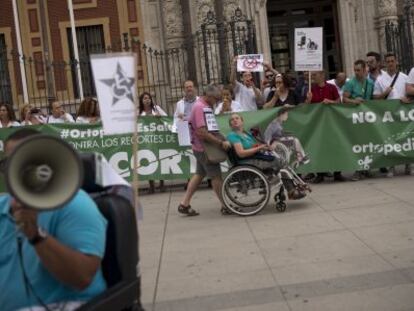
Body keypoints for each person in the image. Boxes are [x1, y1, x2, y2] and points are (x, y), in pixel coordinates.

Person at [0, 128, 107, 311]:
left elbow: (82, 277)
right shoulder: (3, 207)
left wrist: (36, 235)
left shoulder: (75, 204)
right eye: (10, 162)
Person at [177, 84, 231, 216]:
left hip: (200, 147)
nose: (217, 101)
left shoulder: (203, 106)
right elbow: (202, 132)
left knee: (199, 174)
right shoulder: (200, 107)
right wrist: (220, 143)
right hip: (204, 148)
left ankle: (184, 204)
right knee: (216, 177)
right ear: (209, 96)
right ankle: (225, 206)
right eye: (216, 99)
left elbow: (209, 128)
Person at [227, 113, 306, 200]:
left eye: (237, 118)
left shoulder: (246, 134)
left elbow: (253, 146)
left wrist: (263, 147)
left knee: (281, 161)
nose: (234, 120)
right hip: (247, 161)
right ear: (230, 124)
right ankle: (290, 189)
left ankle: (291, 188)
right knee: (279, 162)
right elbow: (241, 153)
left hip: (254, 157)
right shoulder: (232, 135)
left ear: (242, 121)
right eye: (232, 119)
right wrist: (259, 148)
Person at [373, 52, 409, 177]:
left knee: (405, 139)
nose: (390, 64)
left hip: (403, 114)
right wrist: (384, 93)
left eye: (392, 61)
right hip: (388, 115)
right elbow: (375, 98)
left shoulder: (405, 77)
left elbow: (410, 93)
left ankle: (408, 165)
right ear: (385, 64)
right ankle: (391, 166)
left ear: (396, 62)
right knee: (391, 140)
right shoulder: (380, 79)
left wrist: (407, 98)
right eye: (388, 61)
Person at [305, 71, 345, 183]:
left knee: (335, 147)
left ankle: (337, 173)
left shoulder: (331, 87)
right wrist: (308, 100)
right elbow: (306, 108)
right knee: (319, 148)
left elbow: (339, 102)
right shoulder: (311, 90)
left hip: (332, 122)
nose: (313, 77)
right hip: (318, 124)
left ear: (322, 75)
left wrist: (331, 102)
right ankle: (320, 174)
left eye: (315, 74)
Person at [343, 60, 375, 181]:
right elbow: (344, 99)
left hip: (366, 118)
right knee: (357, 144)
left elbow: (372, 99)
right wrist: (354, 101)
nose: (356, 72)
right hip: (354, 118)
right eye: (355, 70)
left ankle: (366, 169)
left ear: (364, 70)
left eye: (358, 70)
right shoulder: (350, 83)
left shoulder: (370, 83)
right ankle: (357, 170)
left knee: (367, 143)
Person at [139, 92, 167, 193]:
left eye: (148, 98)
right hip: (146, 140)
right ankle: (151, 185)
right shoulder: (139, 113)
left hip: (158, 138)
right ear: (141, 101)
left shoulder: (157, 109)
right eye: (145, 98)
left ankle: (162, 184)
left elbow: (167, 119)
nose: (147, 100)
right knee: (148, 161)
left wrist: (160, 117)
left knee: (159, 160)